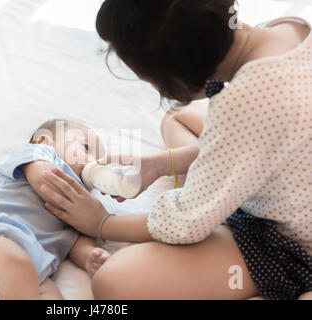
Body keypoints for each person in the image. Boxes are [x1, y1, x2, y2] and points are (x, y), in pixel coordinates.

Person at [40, 0, 312, 300]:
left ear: (180, 73)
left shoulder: (243, 105)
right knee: (177, 118)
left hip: (289, 242)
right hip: (282, 172)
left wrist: (103, 223)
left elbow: (187, 222)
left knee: (113, 281)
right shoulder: (290, 29)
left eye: (153, 81)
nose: (159, 91)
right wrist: (159, 164)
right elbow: (258, 141)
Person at [0, 119, 110, 299]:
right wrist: (80, 204)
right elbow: (43, 179)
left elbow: (75, 241)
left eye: (100, 162)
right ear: (44, 141)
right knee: (14, 263)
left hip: (35, 277)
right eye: (86, 148)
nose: (93, 162)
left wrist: (89, 256)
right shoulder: (40, 155)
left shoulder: (82, 205)